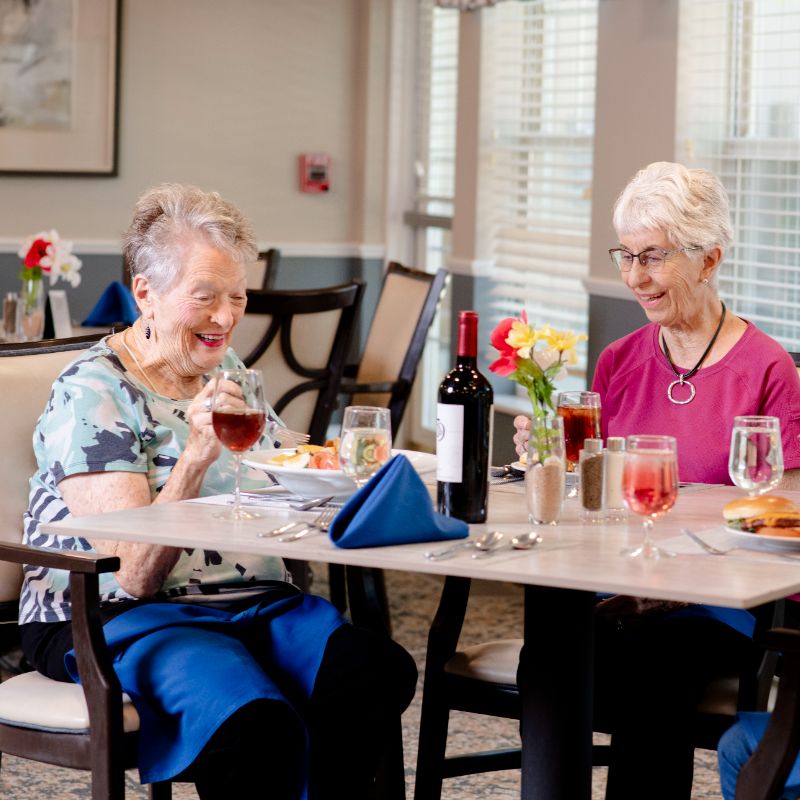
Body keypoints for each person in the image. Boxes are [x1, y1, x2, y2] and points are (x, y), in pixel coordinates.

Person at [18, 183, 417, 800]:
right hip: (117, 615)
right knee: (252, 724)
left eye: (238, 297)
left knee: (370, 674)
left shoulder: (230, 375)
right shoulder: (93, 393)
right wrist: (197, 458)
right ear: (145, 292)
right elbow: (134, 572)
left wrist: (343, 471)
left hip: (250, 600)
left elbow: (287, 466)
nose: (227, 318)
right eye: (204, 296)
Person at [512, 161, 800, 800]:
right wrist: (548, 461)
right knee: (550, 655)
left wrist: (672, 580)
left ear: (708, 258)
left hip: (721, 607)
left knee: (652, 664)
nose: (635, 277)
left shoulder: (768, 370)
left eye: (654, 257)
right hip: (619, 584)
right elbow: (596, 493)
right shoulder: (620, 360)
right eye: (627, 255)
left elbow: (781, 521)